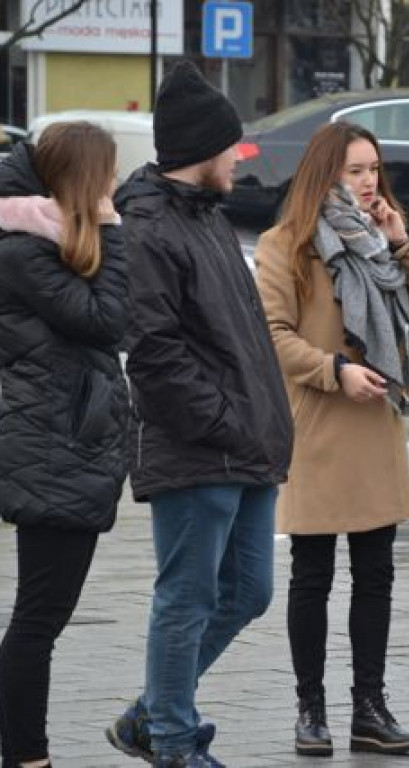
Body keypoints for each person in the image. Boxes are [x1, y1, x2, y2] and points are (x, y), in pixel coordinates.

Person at [104, 62, 293, 768]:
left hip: (245, 444)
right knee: (183, 600)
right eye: (230, 148)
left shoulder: (206, 217)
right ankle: (175, 744)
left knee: (248, 590)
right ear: (199, 153)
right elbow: (152, 352)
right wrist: (220, 420)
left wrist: (258, 422)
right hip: (197, 448)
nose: (236, 161)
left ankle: (152, 716)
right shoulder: (149, 227)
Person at [255, 121, 409, 757]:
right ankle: (310, 708)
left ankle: (370, 706)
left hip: (377, 425)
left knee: (376, 573)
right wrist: (335, 371)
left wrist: (405, 243)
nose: (369, 183)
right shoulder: (285, 244)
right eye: (355, 171)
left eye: (373, 170)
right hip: (318, 423)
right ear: (325, 174)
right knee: (310, 574)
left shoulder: (382, 238)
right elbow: (274, 335)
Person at [0, 122, 129, 768]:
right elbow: (110, 320)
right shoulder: (23, 252)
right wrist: (111, 229)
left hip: (63, 445)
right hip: (50, 450)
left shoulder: (48, 245)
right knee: (38, 619)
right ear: (85, 180)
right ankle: (27, 756)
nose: (115, 185)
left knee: (40, 616)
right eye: (107, 173)